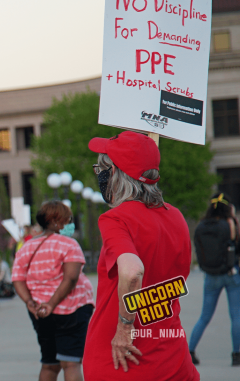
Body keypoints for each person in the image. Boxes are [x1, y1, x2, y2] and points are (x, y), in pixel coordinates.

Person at [82, 131, 199, 381]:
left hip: (122, 363)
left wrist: (124, 327)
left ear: (114, 173)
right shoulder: (176, 217)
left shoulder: (116, 219)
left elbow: (132, 271)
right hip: (172, 359)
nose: (99, 175)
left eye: (100, 168)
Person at [11, 201, 95, 381]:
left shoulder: (27, 247)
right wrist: (52, 304)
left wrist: (29, 302)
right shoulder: (69, 245)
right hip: (72, 310)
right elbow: (71, 277)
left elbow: (18, 279)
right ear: (57, 221)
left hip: (40, 313)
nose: (70, 223)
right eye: (68, 219)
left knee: (49, 364)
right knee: (71, 363)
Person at [188, 193, 240, 366]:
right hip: (232, 274)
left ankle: (190, 351)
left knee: (205, 316)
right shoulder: (229, 223)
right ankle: (236, 355)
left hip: (211, 275)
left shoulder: (201, 225)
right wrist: (234, 219)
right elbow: (239, 246)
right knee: (235, 314)